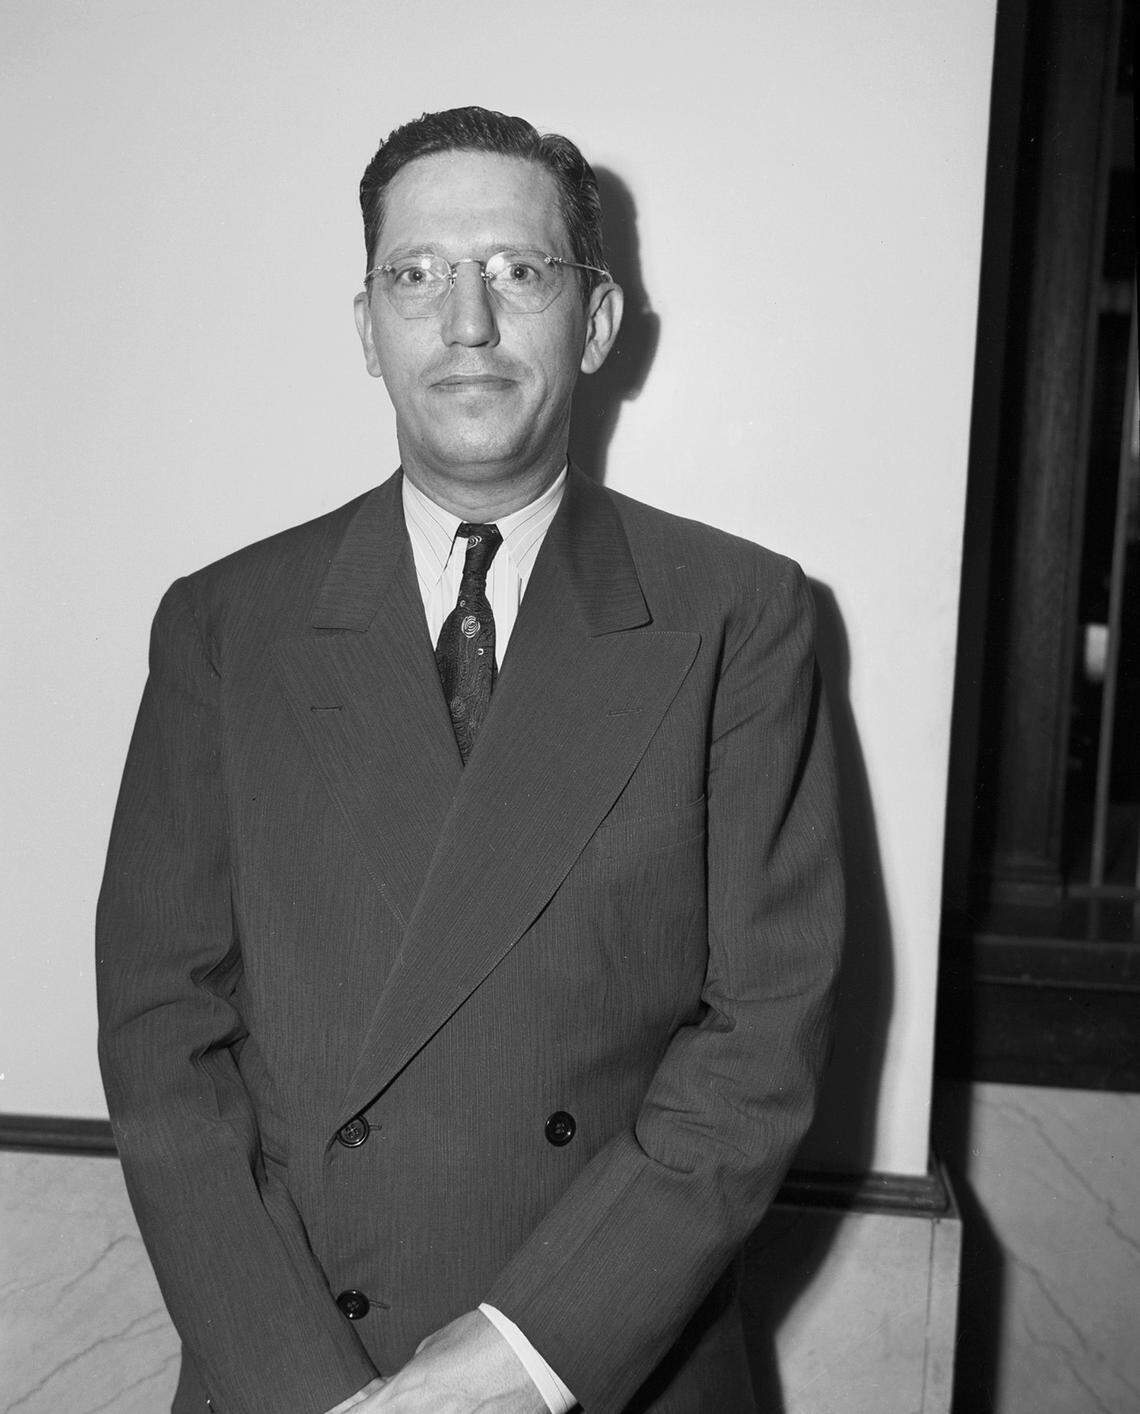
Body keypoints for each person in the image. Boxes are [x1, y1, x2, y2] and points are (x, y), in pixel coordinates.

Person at [96, 105, 843, 1414]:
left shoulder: (740, 615)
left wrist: (527, 1354)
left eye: (519, 269)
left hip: (613, 1358)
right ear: (367, 329)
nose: (468, 321)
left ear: (596, 320)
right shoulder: (224, 625)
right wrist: (301, 1386)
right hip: (293, 1364)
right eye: (417, 275)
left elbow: (760, 1037)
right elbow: (165, 1038)